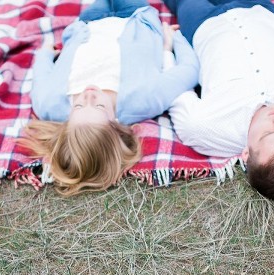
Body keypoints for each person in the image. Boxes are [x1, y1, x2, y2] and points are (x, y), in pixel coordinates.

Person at [163, 0, 274, 201]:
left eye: (268, 133)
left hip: (204, 25)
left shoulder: (204, 129)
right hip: (260, 12)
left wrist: (168, 49)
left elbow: (176, 89)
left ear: (246, 154)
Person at [20, 0, 199, 196]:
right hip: (135, 17)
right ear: (115, 125)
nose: (89, 94)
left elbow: (41, 76)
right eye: (98, 106)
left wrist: (45, 54)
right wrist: (173, 41)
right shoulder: (143, 99)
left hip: (89, 22)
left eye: (78, 106)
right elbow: (189, 71)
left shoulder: (48, 104)